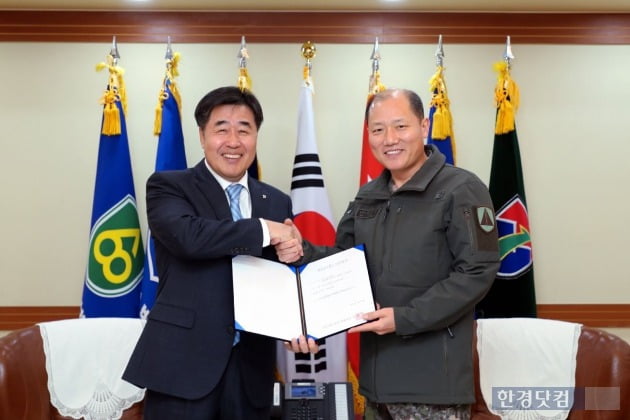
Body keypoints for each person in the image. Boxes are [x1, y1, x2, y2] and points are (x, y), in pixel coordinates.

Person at [288, 88, 500, 420]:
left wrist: (404, 318)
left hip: (432, 385)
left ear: (424, 126)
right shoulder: (368, 195)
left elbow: (477, 272)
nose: (390, 139)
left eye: (401, 126)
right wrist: (299, 249)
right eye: (378, 130)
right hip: (375, 384)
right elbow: (342, 263)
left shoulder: (462, 189)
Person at [123, 86, 316, 420]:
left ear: (256, 136)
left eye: (244, 130)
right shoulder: (169, 186)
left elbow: (282, 277)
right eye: (221, 129)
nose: (233, 141)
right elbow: (189, 237)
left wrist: (300, 325)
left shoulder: (277, 200)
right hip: (183, 367)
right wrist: (266, 230)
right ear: (202, 136)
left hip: (251, 371)